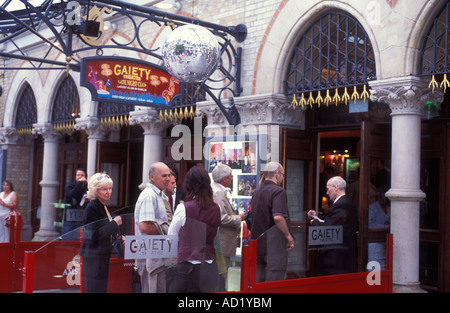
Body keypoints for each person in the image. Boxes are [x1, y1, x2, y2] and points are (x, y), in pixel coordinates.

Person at [168, 166, 221, 293]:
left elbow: (171, 237)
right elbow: (216, 238)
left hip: (187, 269)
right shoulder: (216, 208)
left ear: (189, 185)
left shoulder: (184, 208)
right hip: (210, 266)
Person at [249, 162, 294, 282]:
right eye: (283, 175)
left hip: (258, 248)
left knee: (259, 286)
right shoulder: (279, 191)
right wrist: (288, 236)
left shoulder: (256, 193)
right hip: (274, 249)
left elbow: (250, 219)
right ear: (277, 174)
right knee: (274, 286)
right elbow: (278, 217)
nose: (283, 178)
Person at [79, 173, 122, 293]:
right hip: (94, 256)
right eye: (104, 189)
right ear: (95, 190)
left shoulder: (102, 205)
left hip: (101, 255)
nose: (108, 192)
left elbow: (104, 231)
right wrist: (114, 224)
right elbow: (92, 235)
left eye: (110, 188)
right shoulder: (93, 207)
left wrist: (118, 237)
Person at [308, 176, 358, 276]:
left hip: (336, 259)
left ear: (335, 187)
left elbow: (329, 228)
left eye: (328, 189)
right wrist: (318, 215)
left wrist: (314, 222)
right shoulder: (347, 203)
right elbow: (333, 219)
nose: (326, 193)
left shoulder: (341, 205)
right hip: (343, 256)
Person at [134, 162, 171, 293]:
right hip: (149, 255)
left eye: (169, 175)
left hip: (155, 255)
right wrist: (168, 231)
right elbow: (144, 226)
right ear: (152, 177)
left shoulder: (157, 194)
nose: (168, 179)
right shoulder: (149, 195)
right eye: (164, 176)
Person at [211, 164, 244, 275]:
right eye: (230, 176)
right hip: (222, 244)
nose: (231, 178)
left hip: (222, 244)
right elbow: (222, 218)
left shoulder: (217, 191)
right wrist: (239, 218)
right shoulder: (218, 193)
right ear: (224, 179)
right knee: (221, 277)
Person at [62, 168, 88, 240]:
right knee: (69, 242)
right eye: (78, 175)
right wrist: (79, 183)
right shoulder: (69, 186)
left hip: (82, 220)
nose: (79, 177)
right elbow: (74, 194)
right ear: (75, 177)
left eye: (82, 175)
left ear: (85, 177)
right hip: (70, 220)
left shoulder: (88, 188)